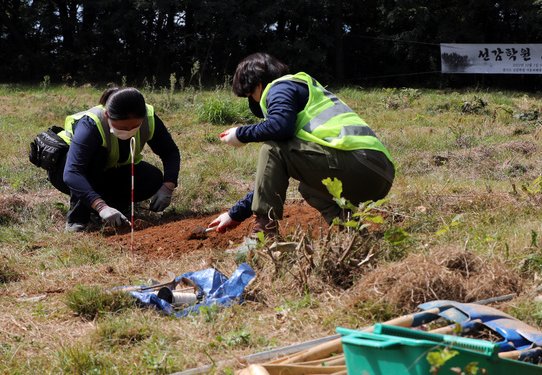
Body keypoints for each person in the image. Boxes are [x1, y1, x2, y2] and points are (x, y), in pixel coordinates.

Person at [209, 53, 395, 237]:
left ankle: (263, 237)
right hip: (379, 175)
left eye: (250, 94)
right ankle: (352, 233)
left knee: (272, 147)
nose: (254, 101)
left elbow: (280, 127)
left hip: (357, 165)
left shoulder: (279, 88)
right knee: (308, 188)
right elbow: (270, 180)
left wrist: (240, 134)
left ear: (259, 84)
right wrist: (235, 214)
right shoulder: (304, 90)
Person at [49, 87, 181, 232]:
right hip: (66, 173)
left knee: (153, 178)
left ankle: (109, 208)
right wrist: (102, 207)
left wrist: (168, 186)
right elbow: (72, 172)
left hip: (108, 172)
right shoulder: (92, 124)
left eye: (135, 127)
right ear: (107, 114)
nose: (129, 131)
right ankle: (77, 219)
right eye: (122, 127)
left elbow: (170, 152)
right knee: (97, 156)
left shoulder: (148, 118)